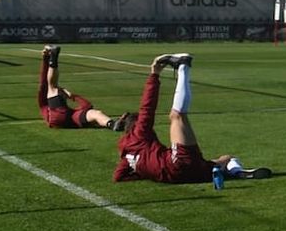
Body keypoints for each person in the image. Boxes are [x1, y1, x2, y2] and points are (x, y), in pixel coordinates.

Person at [114, 53, 271, 184]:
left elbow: (118, 177)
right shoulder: (139, 133)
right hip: (177, 164)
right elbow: (147, 107)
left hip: (183, 177)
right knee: (177, 116)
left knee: (225, 159)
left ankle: (235, 173)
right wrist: (154, 75)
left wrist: (146, 171)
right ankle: (184, 66)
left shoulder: (126, 157)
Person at [37, 44, 124, 130]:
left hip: (70, 120)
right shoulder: (46, 103)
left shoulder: (70, 112)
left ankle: (112, 124)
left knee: (96, 113)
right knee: (53, 86)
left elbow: (88, 106)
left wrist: (73, 96)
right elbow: (44, 80)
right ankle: (54, 56)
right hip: (55, 117)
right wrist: (71, 95)